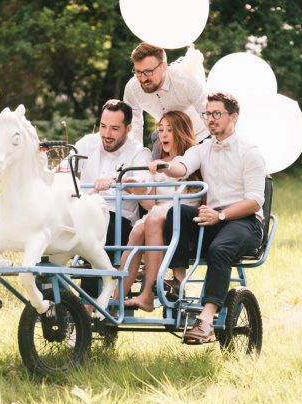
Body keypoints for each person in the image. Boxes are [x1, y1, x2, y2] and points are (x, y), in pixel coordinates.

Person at [148, 92, 266, 343]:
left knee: (219, 248)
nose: (210, 120)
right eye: (207, 114)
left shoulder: (250, 152)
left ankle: (206, 321)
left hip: (244, 221)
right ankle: (178, 281)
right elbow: (183, 166)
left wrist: (221, 214)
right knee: (177, 211)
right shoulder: (203, 149)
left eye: (216, 114)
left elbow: (255, 201)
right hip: (212, 219)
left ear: (233, 117)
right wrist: (166, 167)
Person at [116, 111, 202, 311]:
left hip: (182, 220)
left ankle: (147, 293)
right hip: (159, 214)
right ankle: (116, 298)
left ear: (180, 132)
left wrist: (164, 167)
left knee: (152, 221)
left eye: (169, 130)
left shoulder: (191, 159)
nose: (163, 135)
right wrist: (134, 188)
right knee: (139, 229)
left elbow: (181, 173)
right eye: (160, 130)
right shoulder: (157, 161)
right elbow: (150, 202)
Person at [70, 99, 152, 299]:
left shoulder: (140, 153)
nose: (107, 134)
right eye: (103, 126)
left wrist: (117, 180)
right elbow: (66, 168)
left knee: (94, 239)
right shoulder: (87, 143)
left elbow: (142, 185)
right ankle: (52, 297)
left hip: (117, 219)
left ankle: (86, 309)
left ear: (129, 128)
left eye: (115, 129)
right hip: (83, 213)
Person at [123, 42, 209, 156]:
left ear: (163, 67)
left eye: (148, 72)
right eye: (138, 72)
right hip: (165, 141)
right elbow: (134, 123)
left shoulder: (186, 81)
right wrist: (135, 155)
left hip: (199, 136)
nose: (142, 79)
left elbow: (208, 113)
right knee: (153, 171)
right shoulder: (132, 88)